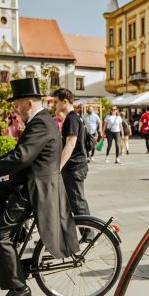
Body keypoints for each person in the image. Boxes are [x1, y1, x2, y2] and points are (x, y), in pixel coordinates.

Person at [0, 78, 78, 296]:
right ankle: (15, 234)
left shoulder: (40, 124)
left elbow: (21, 157)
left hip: (33, 189)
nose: (15, 109)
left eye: (17, 104)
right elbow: (18, 153)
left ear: (29, 104)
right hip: (25, 182)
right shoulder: (40, 120)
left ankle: (18, 288)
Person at [53, 89, 91, 222]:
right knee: (74, 201)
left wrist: (58, 167)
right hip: (76, 165)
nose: (55, 105)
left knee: (78, 203)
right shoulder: (74, 117)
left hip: (74, 167)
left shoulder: (72, 119)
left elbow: (70, 144)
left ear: (64, 101)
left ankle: (89, 235)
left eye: (56, 102)